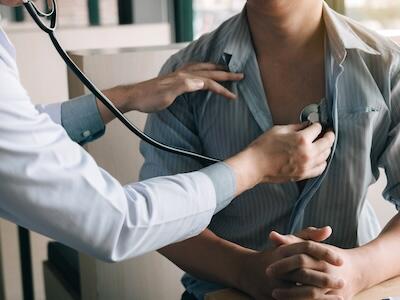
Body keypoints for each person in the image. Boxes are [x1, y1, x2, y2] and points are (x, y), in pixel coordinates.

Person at [0, 0, 336, 262]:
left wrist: (124, 98)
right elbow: (117, 223)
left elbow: (18, 131)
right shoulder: (194, 60)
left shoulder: (384, 63)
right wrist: (254, 167)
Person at [140, 0, 400, 299]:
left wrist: (358, 270)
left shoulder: (387, 66)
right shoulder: (184, 73)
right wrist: (244, 269)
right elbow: (160, 218)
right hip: (227, 291)